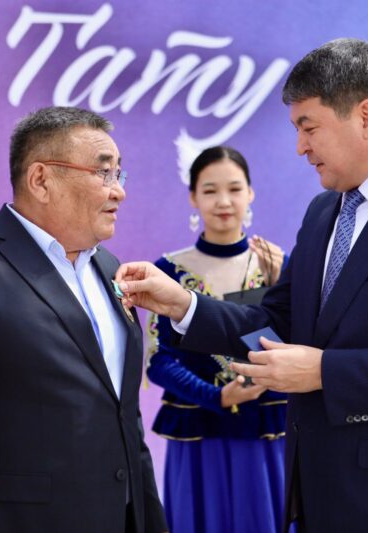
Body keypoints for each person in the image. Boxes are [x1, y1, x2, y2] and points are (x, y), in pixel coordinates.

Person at [115, 38, 368, 532]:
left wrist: (326, 371)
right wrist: (183, 305)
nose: (300, 147)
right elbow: (277, 320)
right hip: (321, 490)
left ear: (366, 117)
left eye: (309, 127)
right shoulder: (324, 210)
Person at [0, 107, 167, 533]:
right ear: (40, 179)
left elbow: (125, 421)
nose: (119, 192)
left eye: (119, 174)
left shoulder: (110, 269)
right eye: (103, 173)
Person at [146, 146, 288, 533]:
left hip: (267, 431)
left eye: (234, 189)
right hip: (198, 430)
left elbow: (300, 349)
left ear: (251, 193)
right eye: (210, 191)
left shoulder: (278, 265)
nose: (224, 201)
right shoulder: (168, 270)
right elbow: (158, 359)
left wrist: (278, 287)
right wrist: (217, 396)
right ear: (193, 197)